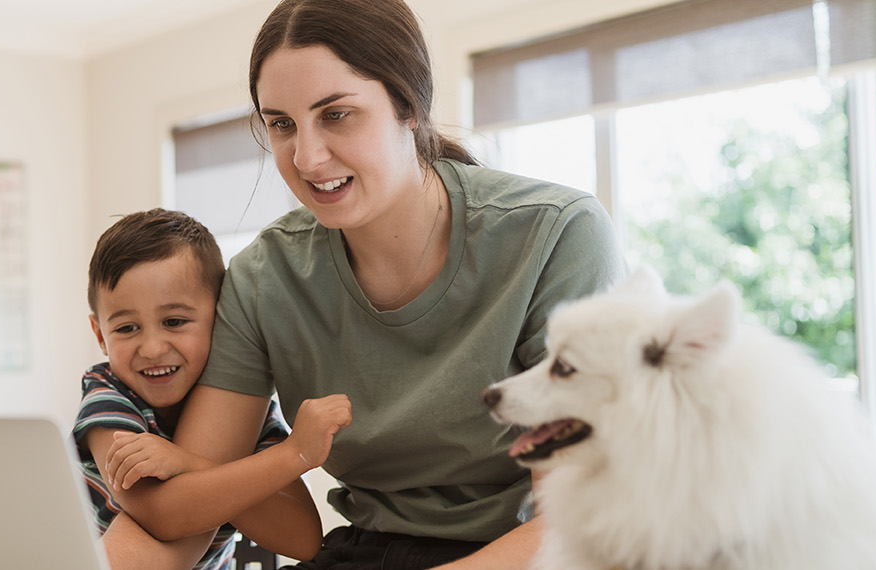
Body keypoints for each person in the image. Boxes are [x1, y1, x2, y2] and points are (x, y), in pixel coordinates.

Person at [102, 0, 628, 569]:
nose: (306, 157)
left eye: (336, 114)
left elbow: (574, 518)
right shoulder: (262, 278)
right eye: (281, 124)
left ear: (410, 106)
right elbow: (184, 509)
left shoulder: (555, 235)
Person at [75, 208, 353, 570]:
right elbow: (157, 513)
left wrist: (188, 462)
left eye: (174, 322)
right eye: (127, 328)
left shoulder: (247, 412)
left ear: (223, 319)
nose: (153, 348)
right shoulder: (107, 395)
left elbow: (302, 539)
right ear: (100, 335)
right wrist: (295, 454)